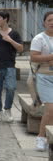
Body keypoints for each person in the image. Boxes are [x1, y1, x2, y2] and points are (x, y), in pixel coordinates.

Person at [0, 11, 23, 122]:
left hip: (10, 66)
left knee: (11, 88)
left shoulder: (14, 34)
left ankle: (8, 109)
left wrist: (10, 40)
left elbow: (20, 49)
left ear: (5, 19)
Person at [30, 11, 53, 151]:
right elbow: (34, 57)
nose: (52, 22)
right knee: (50, 109)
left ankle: (49, 138)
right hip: (44, 76)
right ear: (44, 22)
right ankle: (41, 137)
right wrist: (51, 57)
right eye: (49, 20)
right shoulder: (39, 38)